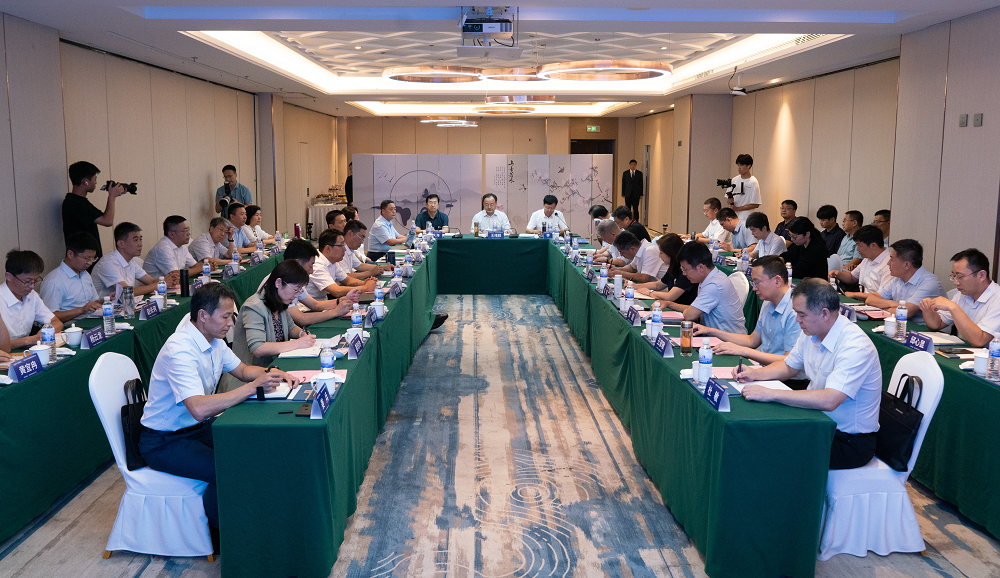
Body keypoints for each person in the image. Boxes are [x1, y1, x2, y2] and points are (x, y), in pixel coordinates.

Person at [139, 283, 299, 533]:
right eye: (225, 317)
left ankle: (263, 517)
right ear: (203, 315)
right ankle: (223, 539)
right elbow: (198, 408)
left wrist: (272, 372)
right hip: (165, 442)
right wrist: (252, 388)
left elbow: (243, 370)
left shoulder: (214, 341)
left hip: (197, 430)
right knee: (225, 469)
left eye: (231, 316)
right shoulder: (180, 350)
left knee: (252, 444)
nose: (230, 324)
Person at [735, 279, 882, 470]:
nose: (797, 320)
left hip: (848, 441)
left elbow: (830, 400)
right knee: (761, 434)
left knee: (772, 448)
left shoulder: (855, 346)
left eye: (801, 314)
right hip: (817, 422)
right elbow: (789, 366)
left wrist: (771, 394)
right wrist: (755, 374)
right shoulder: (811, 331)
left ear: (824, 313)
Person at [220, 260, 316, 393]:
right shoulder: (254, 306)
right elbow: (258, 348)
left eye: (299, 291)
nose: (296, 296)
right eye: (295, 290)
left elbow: (290, 327)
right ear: (278, 283)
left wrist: (302, 334)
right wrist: (297, 343)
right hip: (248, 379)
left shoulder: (279, 301)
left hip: (273, 370)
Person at [694, 255, 800, 367]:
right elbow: (752, 341)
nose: (754, 288)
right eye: (753, 283)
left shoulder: (795, 311)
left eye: (757, 282)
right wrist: (710, 331)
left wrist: (743, 351)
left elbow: (789, 360)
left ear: (777, 281)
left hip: (784, 376)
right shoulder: (767, 302)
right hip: (765, 369)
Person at [257, 239, 358, 325]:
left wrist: (341, 301)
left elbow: (315, 305)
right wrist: (335, 312)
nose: (311, 271)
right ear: (297, 263)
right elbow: (301, 319)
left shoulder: (294, 279)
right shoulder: (281, 283)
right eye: (311, 265)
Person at [920, 249, 1000, 347]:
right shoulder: (962, 294)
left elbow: (979, 341)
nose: (956, 282)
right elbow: (938, 324)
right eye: (954, 276)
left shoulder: (997, 299)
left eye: (960, 277)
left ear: (982, 275)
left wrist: (954, 308)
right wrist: (927, 309)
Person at [866, 239, 944, 324]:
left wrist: (884, 307)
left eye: (891, 259)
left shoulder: (929, 282)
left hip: (926, 329)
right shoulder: (898, 279)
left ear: (906, 264)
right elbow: (870, 299)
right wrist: (893, 304)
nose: (888, 263)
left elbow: (905, 313)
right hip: (903, 325)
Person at [675, 241, 746, 334]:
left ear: (700, 267)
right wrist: (670, 304)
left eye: (685, 269)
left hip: (727, 340)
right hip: (716, 336)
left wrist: (686, 312)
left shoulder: (714, 285)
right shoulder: (710, 277)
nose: (684, 273)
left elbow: (689, 315)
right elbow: (695, 309)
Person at [0, 249, 64, 351]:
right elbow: (2, 346)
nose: (32, 286)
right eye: (27, 281)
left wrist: (41, 334)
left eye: (35, 280)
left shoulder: (32, 296)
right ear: (9, 276)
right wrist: (27, 340)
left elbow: (56, 322)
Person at [62, 161, 125, 262]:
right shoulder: (74, 203)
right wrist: (112, 196)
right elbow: (107, 221)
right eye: (95, 179)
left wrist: (114, 195)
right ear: (85, 181)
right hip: (82, 259)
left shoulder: (80, 201)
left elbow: (105, 217)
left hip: (87, 257)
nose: (96, 183)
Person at [39, 233, 103, 322]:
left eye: (93, 259)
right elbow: (49, 317)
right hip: (68, 327)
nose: (90, 263)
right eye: (86, 258)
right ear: (70, 254)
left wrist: (105, 300)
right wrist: (81, 310)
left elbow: (92, 303)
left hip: (90, 322)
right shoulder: (54, 281)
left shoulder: (85, 274)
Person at [91, 222, 165, 297]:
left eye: (140, 239)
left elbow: (151, 281)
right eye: (136, 240)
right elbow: (126, 291)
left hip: (126, 303)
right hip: (105, 304)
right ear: (121, 244)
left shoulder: (131, 261)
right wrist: (159, 285)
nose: (140, 244)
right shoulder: (108, 263)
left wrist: (166, 281)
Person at [309, 229, 377, 300]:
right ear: (328, 249)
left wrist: (366, 283)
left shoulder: (332, 261)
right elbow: (337, 291)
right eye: (341, 245)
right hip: (313, 306)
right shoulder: (317, 264)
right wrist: (365, 288)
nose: (344, 249)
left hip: (325, 302)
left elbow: (347, 280)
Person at [829, 225, 892, 301]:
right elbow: (852, 277)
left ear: (873, 245)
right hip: (863, 301)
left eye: (859, 245)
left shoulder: (889, 264)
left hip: (877, 304)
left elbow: (882, 296)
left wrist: (854, 294)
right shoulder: (867, 258)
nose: (858, 249)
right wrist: (838, 274)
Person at [636, 234, 698, 307]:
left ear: (670, 253)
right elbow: (658, 285)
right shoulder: (673, 267)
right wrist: (636, 286)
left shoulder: (685, 272)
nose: (659, 256)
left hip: (683, 309)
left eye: (661, 253)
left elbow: (670, 296)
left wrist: (649, 293)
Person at [727, 154, 761, 220]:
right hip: (733, 216)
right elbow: (728, 198)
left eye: (741, 165)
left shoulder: (753, 182)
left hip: (746, 217)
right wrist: (729, 200)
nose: (739, 167)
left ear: (749, 166)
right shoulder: (734, 180)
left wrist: (738, 208)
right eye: (738, 165)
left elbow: (756, 204)